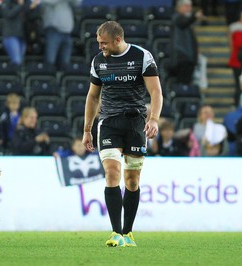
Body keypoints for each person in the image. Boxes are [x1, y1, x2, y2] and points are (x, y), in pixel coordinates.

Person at [82, 21, 163, 247]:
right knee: (112, 171)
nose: (101, 47)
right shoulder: (98, 62)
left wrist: (153, 118)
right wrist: (87, 129)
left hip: (136, 123)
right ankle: (116, 232)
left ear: (118, 40)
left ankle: (128, 233)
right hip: (108, 122)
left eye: (104, 43)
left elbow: (155, 91)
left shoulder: (142, 56)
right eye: (99, 43)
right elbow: (93, 97)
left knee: (132, 180)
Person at [169, 0, 205, 85]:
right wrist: (194, 16)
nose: (189, 9)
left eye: (190, 6)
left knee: (188, 82)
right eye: (186, 6)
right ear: (179, 7)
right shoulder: (176, 17)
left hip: (189, 58)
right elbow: (183, 23)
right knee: (182, 82)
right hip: (181, 57)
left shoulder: (187, 23)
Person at [40, 0, 82, 71]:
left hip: (67, 33)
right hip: (53, 31)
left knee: (65, 64)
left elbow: (77, 2)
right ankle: (49, 80)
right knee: (50, 62)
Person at [1, 0, 40, 67]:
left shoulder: (27, 3)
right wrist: (20, 5)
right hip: (10, 35)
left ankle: (14, 75)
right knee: (17, 60)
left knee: (20, 62)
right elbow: (9, 14)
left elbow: (32, 17)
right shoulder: (7, 2)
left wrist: (32, 8)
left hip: (23, 36)